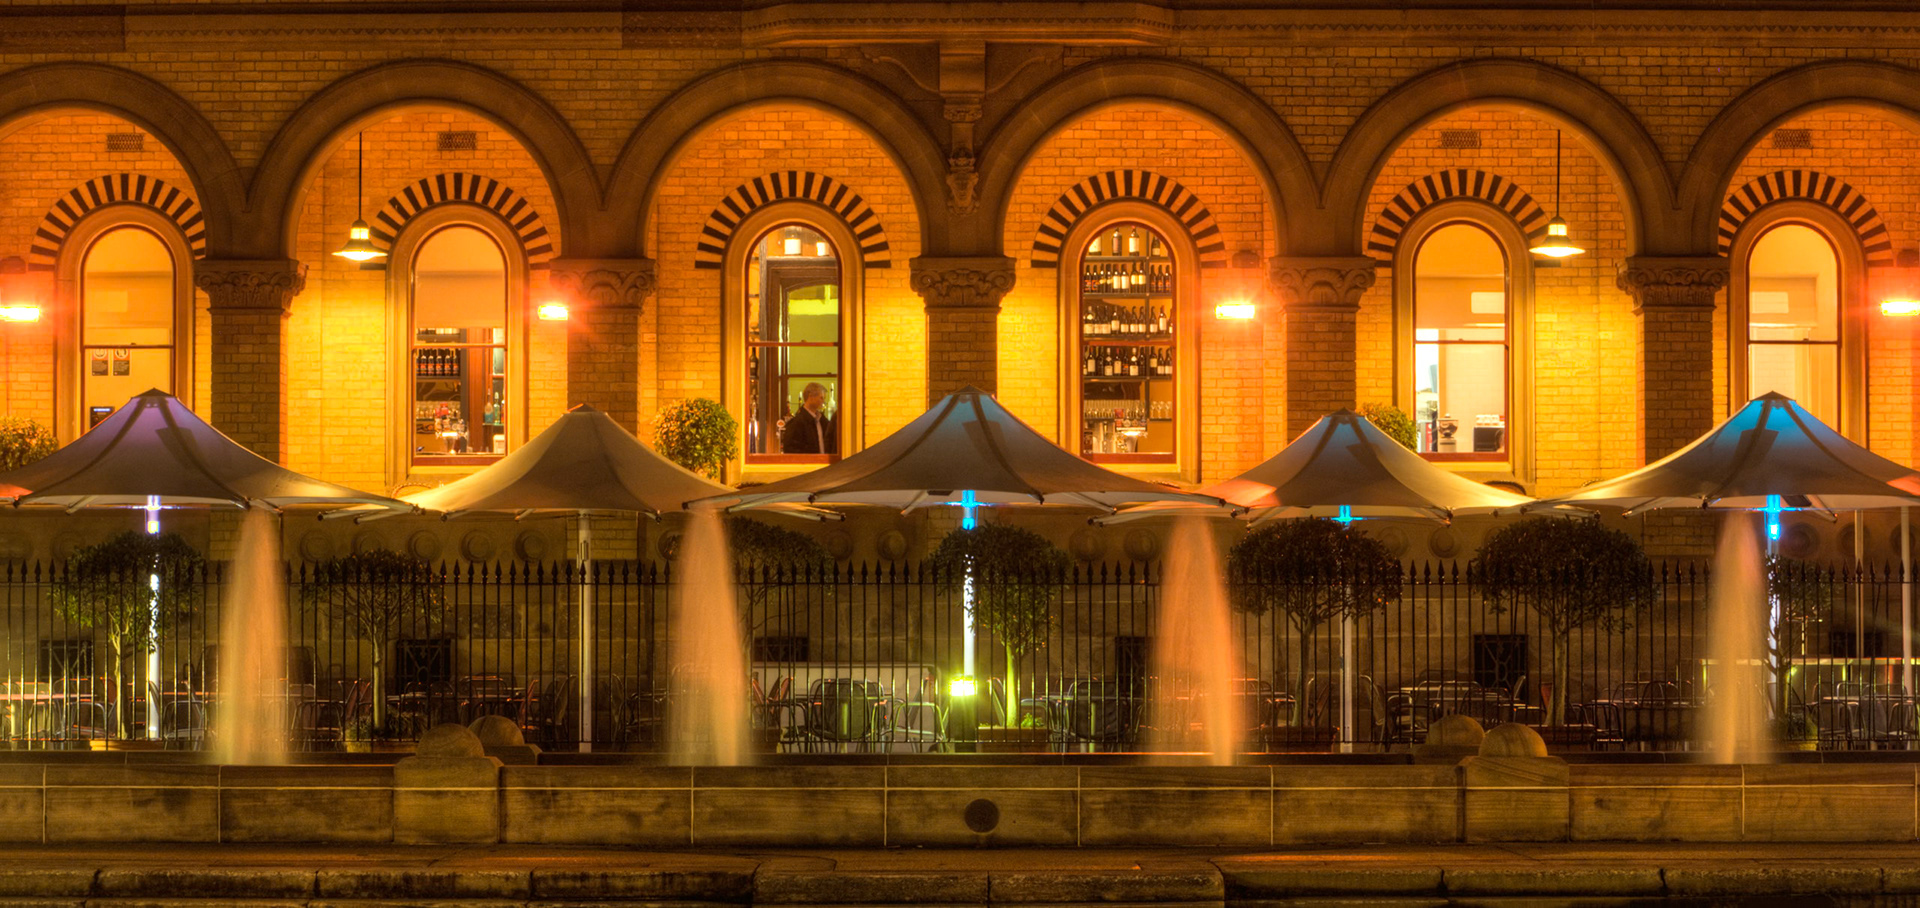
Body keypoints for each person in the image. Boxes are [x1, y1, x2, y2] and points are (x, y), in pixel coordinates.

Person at [779, 382, 837, 454]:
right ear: (811, 397)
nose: (823, 401)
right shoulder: (796, 423)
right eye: (821, 397)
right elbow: (790, 450)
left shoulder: (822, 420)